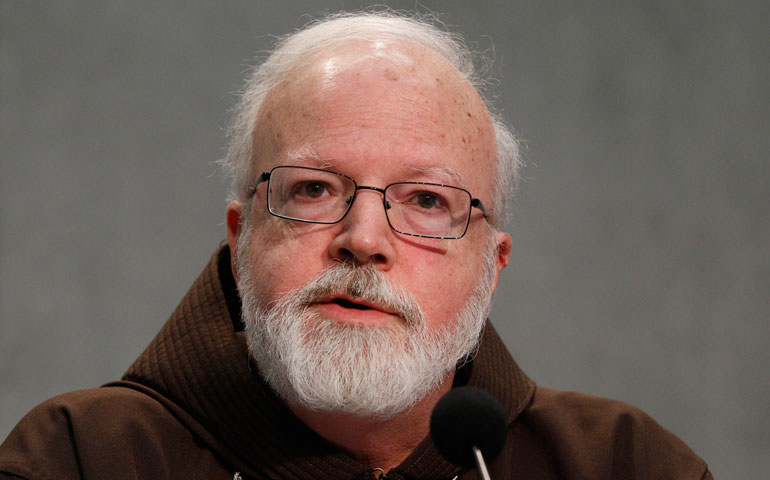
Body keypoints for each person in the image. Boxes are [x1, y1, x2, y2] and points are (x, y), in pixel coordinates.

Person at [0, 11, 711, 480]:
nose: (363, 240)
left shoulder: (627, 463)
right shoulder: (79, 458)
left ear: (491, 267)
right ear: (241, 234)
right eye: (314, 190)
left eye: (427, 200)